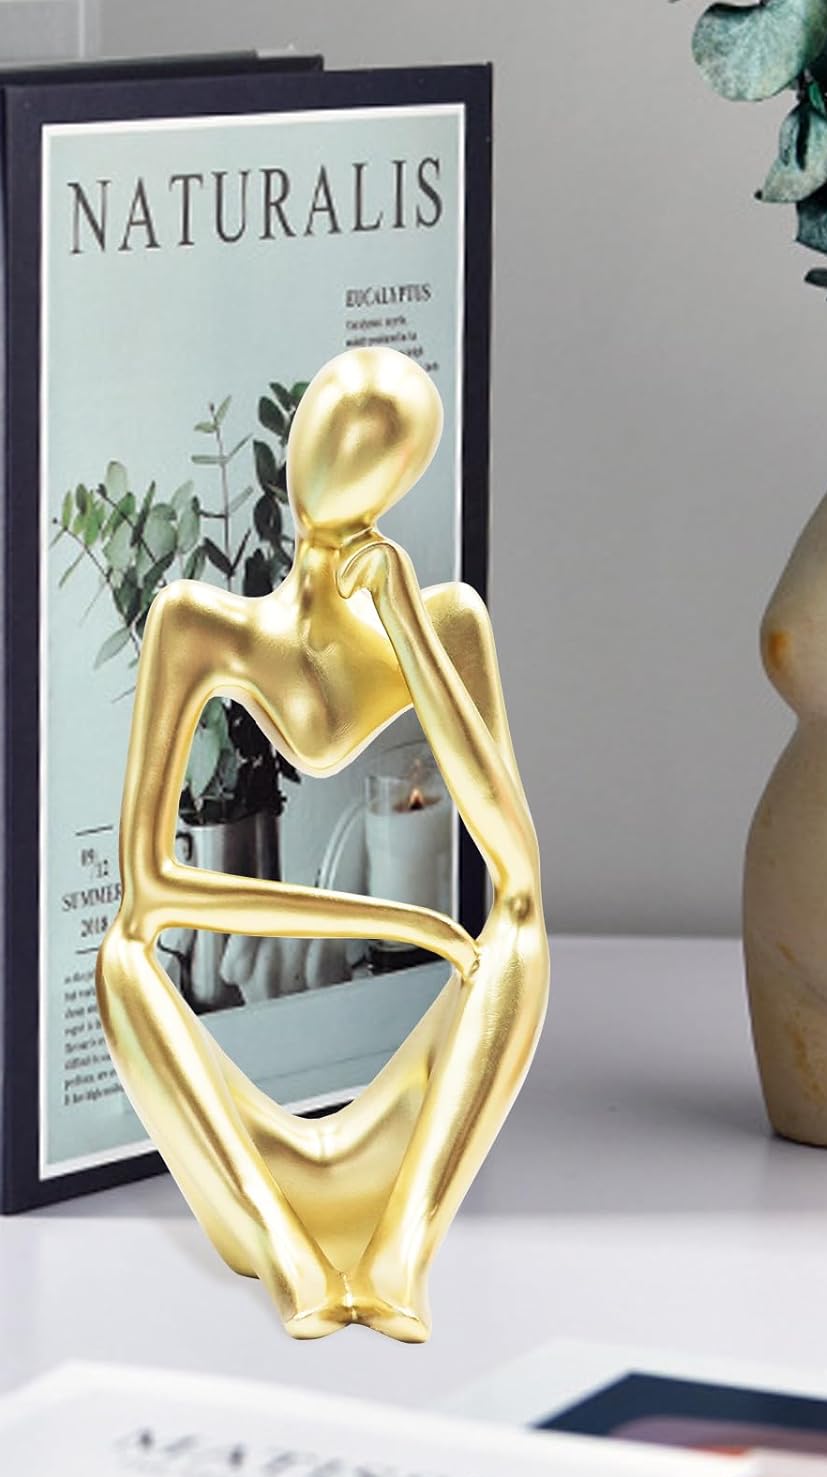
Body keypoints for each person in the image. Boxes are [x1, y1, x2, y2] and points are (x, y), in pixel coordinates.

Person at [96, 347, 548, 1341]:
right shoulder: (198, 624)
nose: (335, 466)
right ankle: (289, 1258)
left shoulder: (446, 625)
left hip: (394, 1148)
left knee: (521, 935)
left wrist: (406, 624)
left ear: (397, 483)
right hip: (245, 1165)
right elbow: (152, 889)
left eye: (378, 452)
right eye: (330, 431)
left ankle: (399, 1257)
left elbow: (517, 869)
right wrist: (401, 923)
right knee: (121, 957)